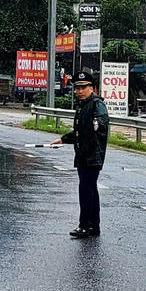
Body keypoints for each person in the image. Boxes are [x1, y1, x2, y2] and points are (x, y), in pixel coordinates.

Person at [51, 70, 109, 238]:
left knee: (85, 189)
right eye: (77, 88)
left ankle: (84, 225)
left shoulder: (97, 104)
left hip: (92, 155)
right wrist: (63, 139)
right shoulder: (83, 104)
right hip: (83, 154)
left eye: (83, 88)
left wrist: (98, 125)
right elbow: (80, 130)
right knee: (91, 190)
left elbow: (100, 124)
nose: (79, 91)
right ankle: (94, 226)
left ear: (92, 88)